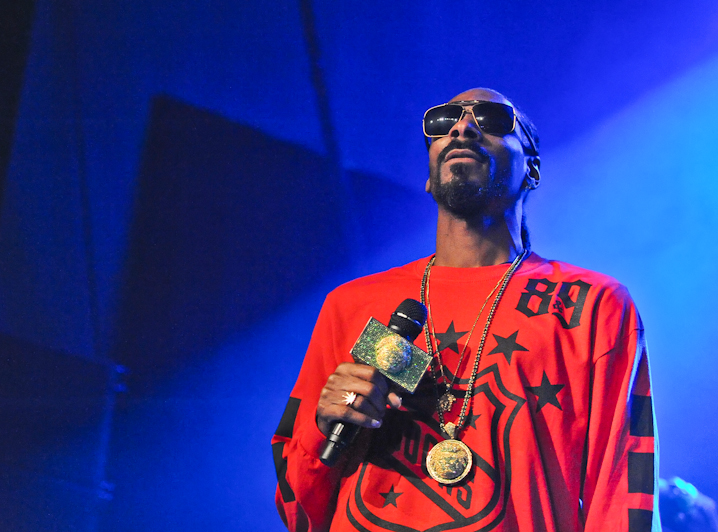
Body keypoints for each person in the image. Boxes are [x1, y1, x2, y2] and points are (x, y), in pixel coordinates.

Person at [272, 88, 659, 532]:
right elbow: (298, 501)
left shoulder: (592, 304)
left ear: (531, 169)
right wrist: (325, 425)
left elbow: (621, 484)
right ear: (428, 174)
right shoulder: (354, 304)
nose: (462, 127)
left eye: (492, 120)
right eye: (443, 121)